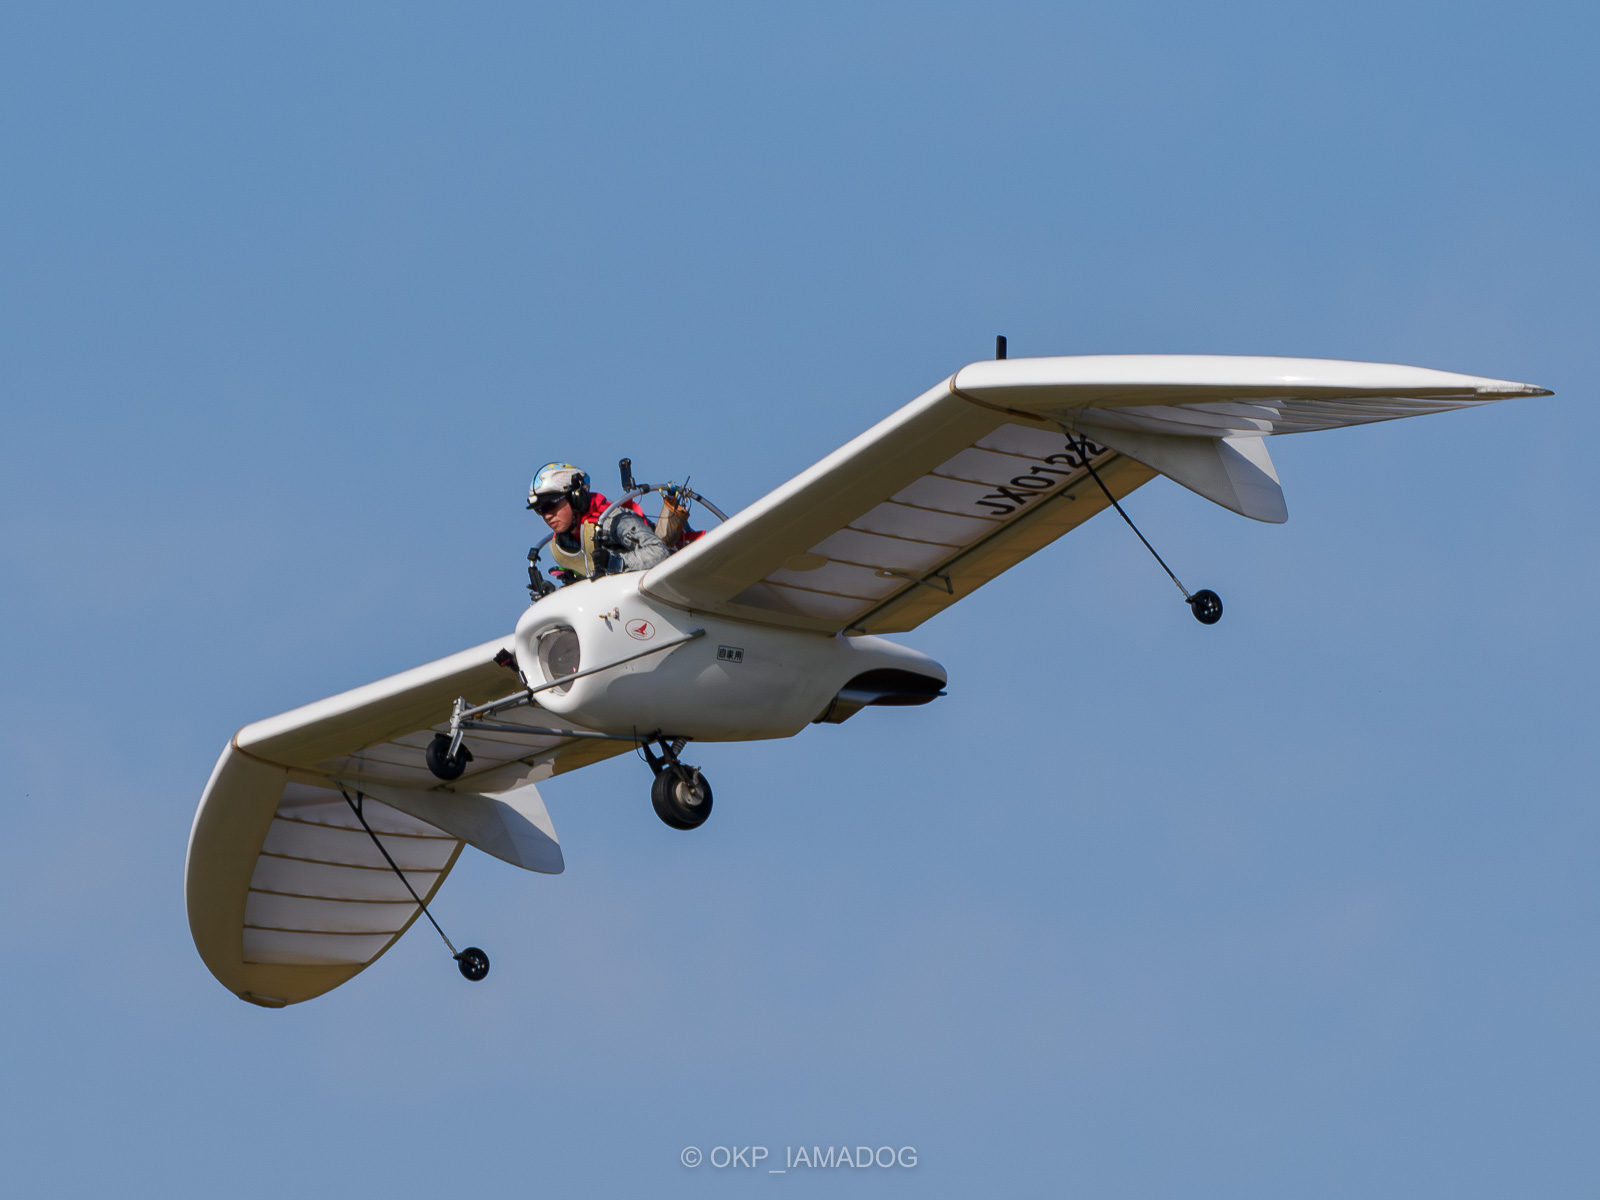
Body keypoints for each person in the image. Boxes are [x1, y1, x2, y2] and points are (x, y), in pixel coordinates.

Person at [527, 462, 669, 591]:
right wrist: (556, 591)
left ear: (575, 498)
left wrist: (615, 563)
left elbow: (660, 552)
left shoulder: (613, 521)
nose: (547, 516)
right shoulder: (563, 545)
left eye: (550, 506)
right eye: (540, 510)